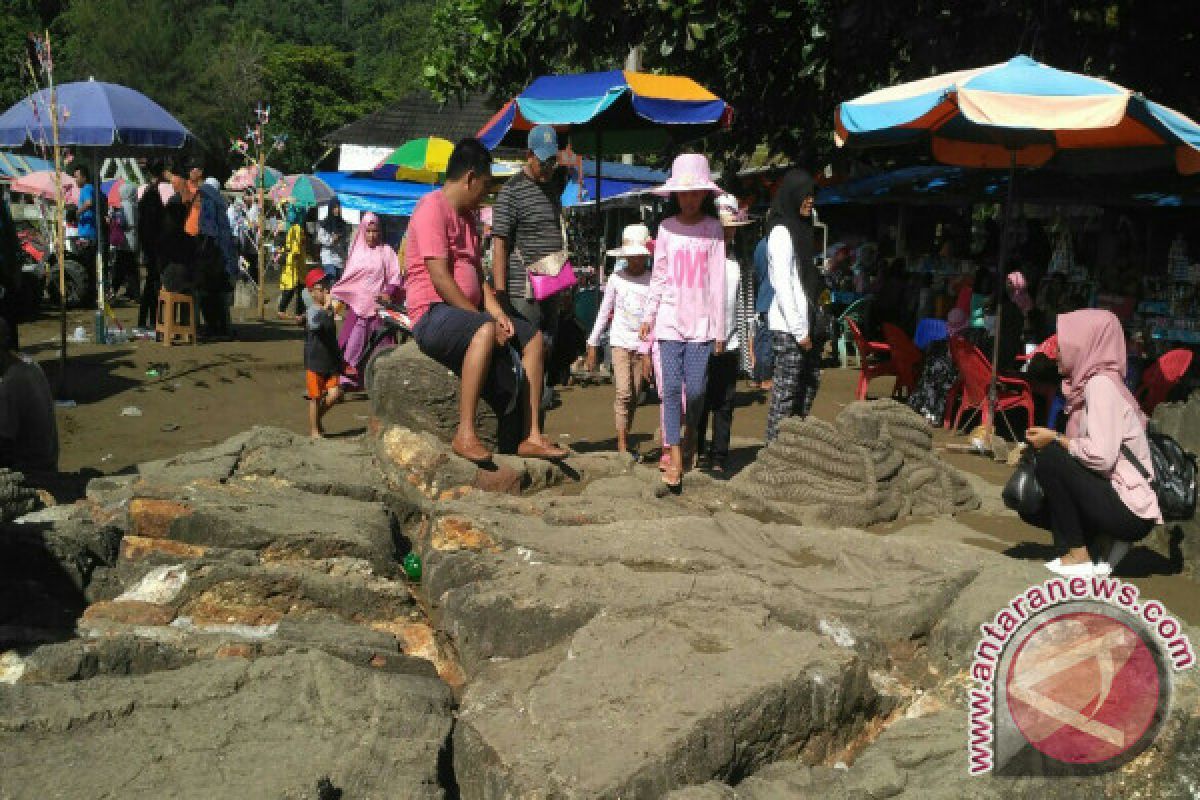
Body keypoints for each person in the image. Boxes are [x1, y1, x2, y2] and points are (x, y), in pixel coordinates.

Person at [406, 138, 566, 463]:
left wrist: (496, 311)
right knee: (483, 332)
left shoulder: (468, 219)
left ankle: (531, 434)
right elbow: (440, 277)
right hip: (432, 312)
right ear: (469, 178)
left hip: (470, 311)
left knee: (533, 340)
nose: (485, 193)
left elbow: (478, 277)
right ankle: (465, 432)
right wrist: (485, 321)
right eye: (484, 184)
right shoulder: (431, 208)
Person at [1021, 309, 1161, 576]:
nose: (1057, 353)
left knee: (1051, 458)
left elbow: (1101, 457)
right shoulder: (1092, 384)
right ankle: (1096, 543)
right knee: (1035, 495)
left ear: (1085, 344)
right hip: (1119, 496)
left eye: (1063, 345)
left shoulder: (1100, 385)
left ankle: (1078, 554)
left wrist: (1056, 438)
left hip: (1130, 508)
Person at [638, 153, 726, 492]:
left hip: (702, 325)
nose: (689, 199)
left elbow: (717, 282)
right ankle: (674, 455)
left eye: (695, 193)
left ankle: (690, 438)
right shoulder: (666, 229)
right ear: (675, 195)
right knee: (671, 390)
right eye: (683, 193)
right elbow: (658, 277)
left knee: (699, 389)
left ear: (704, 194)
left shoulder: (713, 230)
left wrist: (719, 329)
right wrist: (648, 316)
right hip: (669, 322)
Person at [490, 125, 567, 408]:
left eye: (551, 161)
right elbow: (500, 244)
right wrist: (500, 294)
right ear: (528, 155)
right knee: (528, 350)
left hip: (552, 283)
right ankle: (523, 420)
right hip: (523, 289)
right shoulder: (511, 192)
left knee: (546, 350)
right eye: (542, 160)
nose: (547, 167)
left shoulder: (552, 188)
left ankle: (537, 421)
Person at [585, 223, 653, 460]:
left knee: (635, 395)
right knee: (624, 392)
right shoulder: (616, 279)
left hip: (643, 345)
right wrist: (592, 342)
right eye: (631, 256)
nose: (635, 261)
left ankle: (626, 434)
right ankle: (622, 445)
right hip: (620, 341)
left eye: (639, 256)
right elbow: (605, 311)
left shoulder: (652, 280)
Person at [764, 169, 822, 443]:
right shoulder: (781, 233)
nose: (810, 200)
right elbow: (783, 285)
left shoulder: (803, 230)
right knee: (786, 392)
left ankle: (794, 443)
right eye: (805, 194)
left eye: (812, 194)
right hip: (789, 327)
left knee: (809, 383)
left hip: (806, 323)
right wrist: (799, 331)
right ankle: (774, 449)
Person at [696, 195, 751, 473]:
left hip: (731, 341)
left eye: (731, 226)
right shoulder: (701, 258)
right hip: (701, 340)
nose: (728, 231)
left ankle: (719, 455)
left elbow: (743, 304)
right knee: (699, 397)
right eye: (724, 225)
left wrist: (747, 342)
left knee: (725, 401)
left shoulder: (738, 262)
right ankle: (696, 450)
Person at [330, 212, 403, 390]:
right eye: (368, 231)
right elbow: (349, 279)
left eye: (375, 231)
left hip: (380, 309)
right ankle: (348, 380)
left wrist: (388, 292)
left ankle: (381, 380)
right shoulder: (356, 253)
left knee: (381, 346)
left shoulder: (386, 252)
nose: (372, 235)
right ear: (362, 231)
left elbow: (395, 276)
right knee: (354, 345)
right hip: (358, 309)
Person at [0, 317, 58, 472]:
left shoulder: (10, 384)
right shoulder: (28, 363)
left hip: (31, 470)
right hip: (47, 460)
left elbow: (4, 448)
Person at [302, 269, 344, 438]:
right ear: (312, 292)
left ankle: (317, 418)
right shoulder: (313, 310)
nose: (326, 291)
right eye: (321, 288)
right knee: (315, 397)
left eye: (326, 287)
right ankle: (314, 431)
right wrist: (326, 308)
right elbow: (315, 325)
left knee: (335, 393)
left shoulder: (328, 310)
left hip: (330, 361)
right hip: (315, 362)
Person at [137, 162, 167, 329]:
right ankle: (152, 319)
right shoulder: (153, 196)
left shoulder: (147, 194)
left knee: (151, 283)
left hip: (148, 244)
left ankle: (145, 319)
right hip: (153, 245)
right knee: (153, 284)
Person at [748, 232, 775, 390]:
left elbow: (757, 273)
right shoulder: (774, 244)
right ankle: (765, 378)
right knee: (767, 342)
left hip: (762, 299)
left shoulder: (760, 245)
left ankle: (758, 378)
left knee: (760, 340)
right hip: (771, 299)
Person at [107, 181, 139, 301]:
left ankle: (112, 292)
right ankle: (135, 293)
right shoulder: (135, 205)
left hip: (124, 240)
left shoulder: (123, 206)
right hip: (134, 238)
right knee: (131, 268)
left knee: (120, 268)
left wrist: (113, 217)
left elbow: (122, 223)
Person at [277, 204, 307, 321]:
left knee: (296, 287)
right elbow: (295, 248)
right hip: (294, 262)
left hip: (295, 262)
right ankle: (287, 311)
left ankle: (292, 312)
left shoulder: (292, 227)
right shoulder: (295, 228)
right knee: (294, 288)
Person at [72, 165, 99, 295]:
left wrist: (77, 213)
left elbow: (89, 203)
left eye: (76, 177)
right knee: (90, 266)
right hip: (90, 233)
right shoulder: (90, 188)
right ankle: (92, 293)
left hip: (87, 234)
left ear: (84, 177)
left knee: (86, 266)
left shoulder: (86, 188)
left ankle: (89, 294)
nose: (75, 179)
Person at [317, 200, 349, 280]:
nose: (337, 210)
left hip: (339, 258)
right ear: (330, 209)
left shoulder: (344, 224)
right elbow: (320, 238)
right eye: (335, 207)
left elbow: (347, 241)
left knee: (338, 284)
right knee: (331, 279)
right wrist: (332, 240)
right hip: (328, 257)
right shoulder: (325, 224)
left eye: (339, 207)